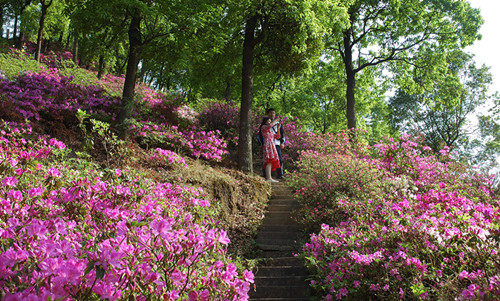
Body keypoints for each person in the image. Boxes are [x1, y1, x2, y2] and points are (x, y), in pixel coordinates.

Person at [260, 108, 285, 179]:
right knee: (267, 159)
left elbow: (279, 135)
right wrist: (261, 143)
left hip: (275, 144)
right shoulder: (264, 125)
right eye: (270, 113)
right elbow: (268, 128)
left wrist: (282, 142)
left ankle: (279, 175)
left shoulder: (276, 124)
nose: (272, 114)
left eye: (273, 113)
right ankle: (267, 176)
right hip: (268, 144)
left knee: (277, 159)